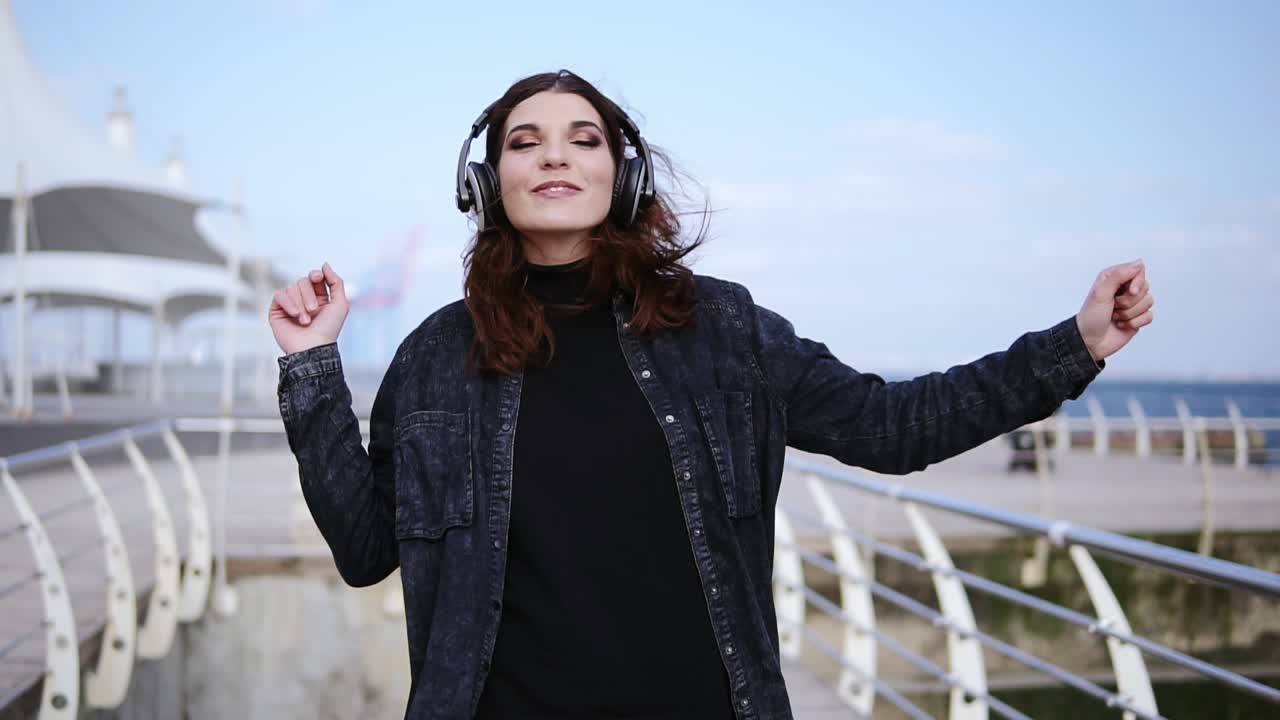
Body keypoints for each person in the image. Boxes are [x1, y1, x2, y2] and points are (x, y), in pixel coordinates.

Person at [268, 69, 1154, 720]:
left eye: (583, 139)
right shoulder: (435, 356)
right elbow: (364, 546)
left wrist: (1073, 346)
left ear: (624, 175)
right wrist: (311, 364)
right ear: (486, 181)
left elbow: (893, 427)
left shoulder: (721, 329)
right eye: (523, 141)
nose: (554, 157)